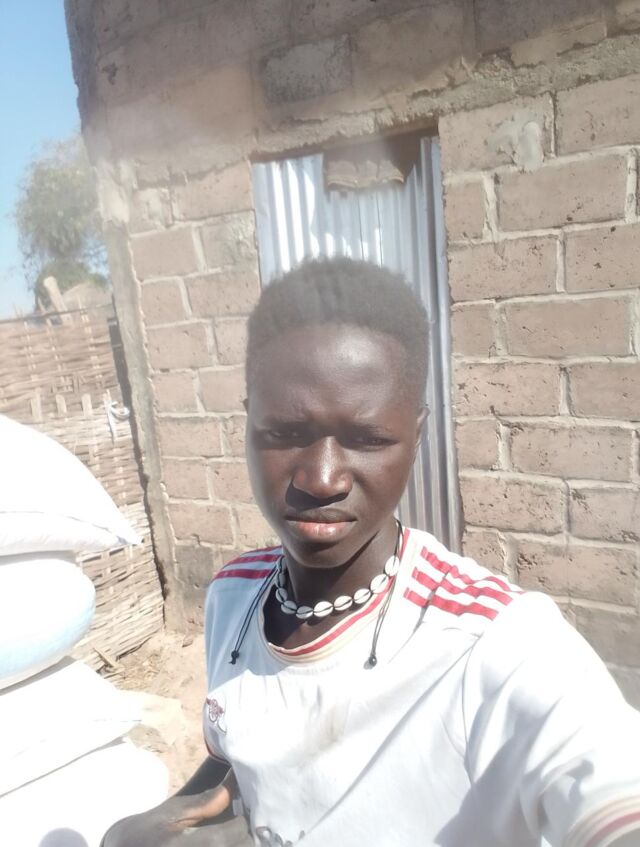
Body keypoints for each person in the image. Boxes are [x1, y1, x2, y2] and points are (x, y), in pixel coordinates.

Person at [103, 258, 640, 847]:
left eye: (367, 439)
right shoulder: (232, 597)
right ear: (247, 425)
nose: (322, 478)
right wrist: (161, 824)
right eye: (285, 434)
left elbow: (610, 793)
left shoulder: (493, 645)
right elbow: (236, 757)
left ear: (417, 436)